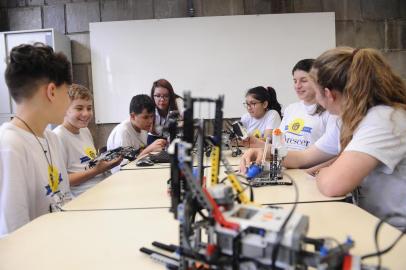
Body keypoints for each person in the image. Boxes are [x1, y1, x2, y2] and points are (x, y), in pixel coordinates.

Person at [242, 47, 406, 229]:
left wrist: (324, 171)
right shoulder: (351, 118)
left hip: (395, 231)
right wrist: (265, 153)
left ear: (328, 93)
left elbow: (332, 185)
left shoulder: (384, 119)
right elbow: (303, 157)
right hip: (372, 221)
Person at [0, 43, 72, 236]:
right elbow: (14, 233)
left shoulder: (51, 137)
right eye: (68, 93)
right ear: (52, 91)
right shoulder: (10, 145)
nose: (69, 102)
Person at [54, 84, 122, 197]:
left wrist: (108, 164)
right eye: (79, 108)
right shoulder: (58, 136)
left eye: (89, 108)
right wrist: (97, 170)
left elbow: (91, 163)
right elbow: (63, 181)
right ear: (65, 109)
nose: (86, 113)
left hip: (104, 186)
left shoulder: (85, 130)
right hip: (85, 196)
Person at [107, 94, 166, 172]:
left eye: (152, 116)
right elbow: (124, 167)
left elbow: (140, 156)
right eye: (145, 117)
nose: (150, 121)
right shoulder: (123, 132)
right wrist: (149, 149)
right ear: (133, 116)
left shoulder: (143, 129)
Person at [280, 59, 330, 151]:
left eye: (304, 81)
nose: (297, 86)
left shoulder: (330, 111)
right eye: (295, 81)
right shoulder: (291, 109)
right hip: (286, 164)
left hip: (313, 165)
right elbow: (280, 142)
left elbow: (334, 152)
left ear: (318, 82)